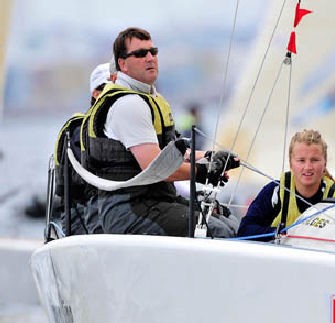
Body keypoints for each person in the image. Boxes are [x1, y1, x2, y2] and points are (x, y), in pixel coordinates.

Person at [81, 27, 239, 237]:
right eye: (140, 54)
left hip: (154, 202)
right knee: (218, 231)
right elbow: (157, 168)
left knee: (226, 219)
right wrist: (203, 173)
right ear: (122, 64)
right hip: (129, 210)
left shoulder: (146, 100)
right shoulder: (128, 105)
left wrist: (209, 157)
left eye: (152, 52)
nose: (150, 58)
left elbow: (170, 152)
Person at [237, 129, 335, 240]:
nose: (308, 167)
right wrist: (279, 233)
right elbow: (244, 230)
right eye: (301, 160)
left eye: (314, 160)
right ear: (291, 163)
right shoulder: (275, 193)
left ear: (324, 163)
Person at [53, 62, 113, 235]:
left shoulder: (121, 127)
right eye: (111, 89)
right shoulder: (79, 131)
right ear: (96, 93)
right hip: (82, 217)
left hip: (107, 212)